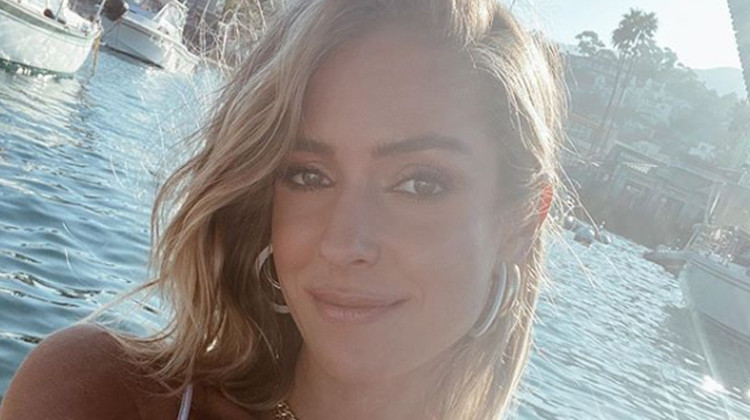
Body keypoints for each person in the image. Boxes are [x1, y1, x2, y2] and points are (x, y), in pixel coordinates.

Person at [0, 0, 565, 418]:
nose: (343, 243)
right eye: (308, 175)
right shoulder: (99, 397)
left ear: (521, 222)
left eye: (420, 184)